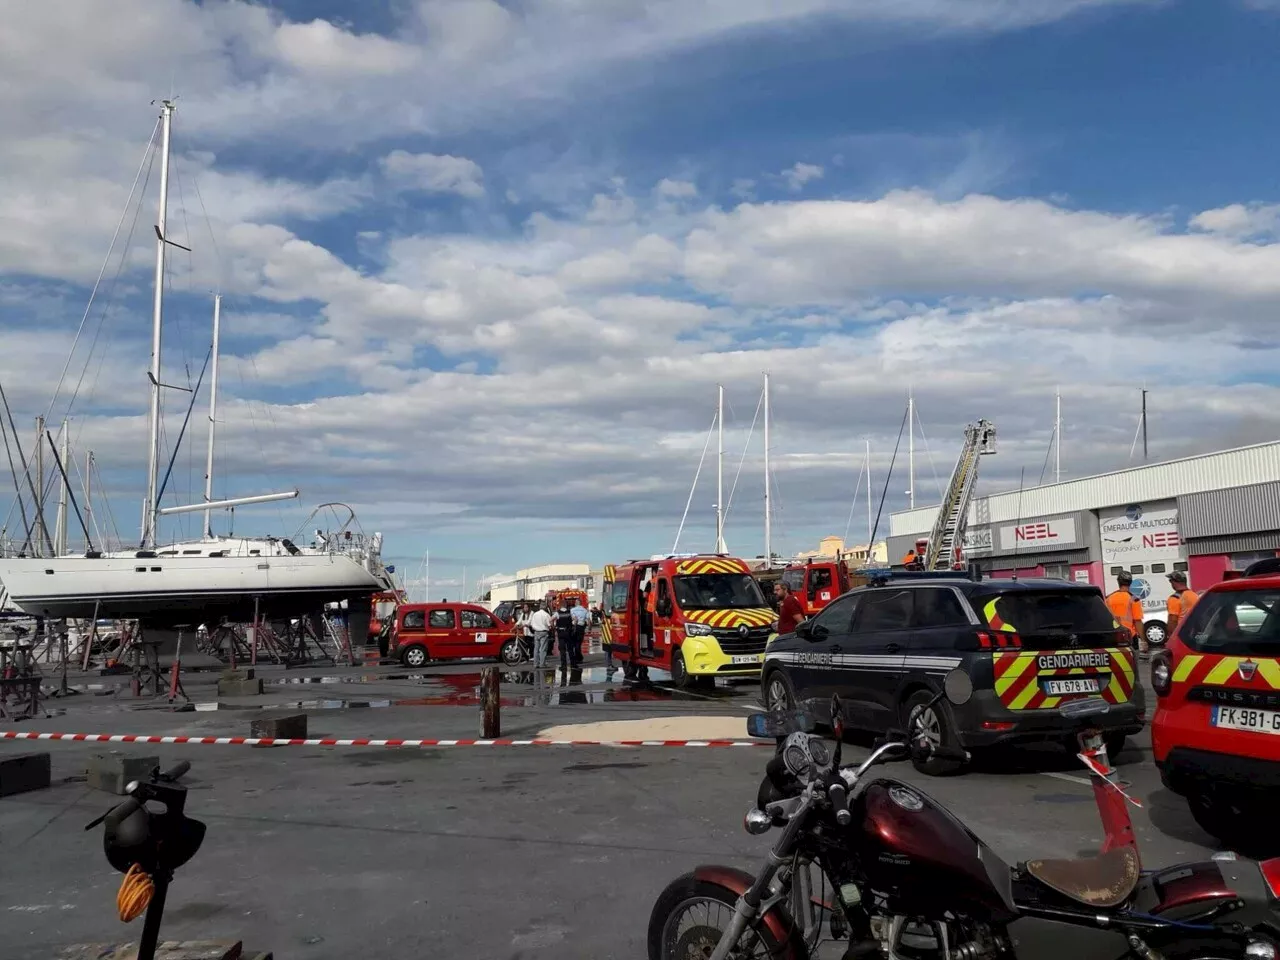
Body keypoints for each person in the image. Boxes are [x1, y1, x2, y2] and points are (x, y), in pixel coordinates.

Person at [1105, 571, 1148, 656]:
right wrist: (1143, 640)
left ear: (1118, 582)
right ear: (1131, 583)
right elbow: (1137, 621)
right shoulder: (1134, 598)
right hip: (1129, 637)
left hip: (1113, 636)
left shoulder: (1108, 598)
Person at [1165, 571, 1199, 639]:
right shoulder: (1194, 595)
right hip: (1195, 631)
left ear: (1174, 582)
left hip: (1182, 634)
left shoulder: (1174, 598)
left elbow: (1173, 620)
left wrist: (1171, 638)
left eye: (1170, 581)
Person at [528, 602, 553, 668]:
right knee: (543, 649)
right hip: (544, 632)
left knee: (536, 648)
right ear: (545, 607)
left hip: (536, 632)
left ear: (540, 607)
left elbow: (532, 624)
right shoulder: (546, 615)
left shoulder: (535, 614)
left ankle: (535, 664)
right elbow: (549, 624)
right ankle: (542, 664)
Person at [555, 603, 577, 670]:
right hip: (568, 632)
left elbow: (550, 619)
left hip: (561, 633)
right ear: (566, 606)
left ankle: (563, 665)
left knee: (562, 650)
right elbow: (575, 619)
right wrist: (573, 625)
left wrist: (555, 627)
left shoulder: (557, 613)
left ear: (560, 606)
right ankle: (573, 664)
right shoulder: (569, 612)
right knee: (570, 649)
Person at [569, 598, 590, 666]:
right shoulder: (585, 610)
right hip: (581, 627)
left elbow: (571, 619)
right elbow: (588, 620)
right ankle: (579, 657)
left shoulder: (572, 610)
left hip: (574, 627)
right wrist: (589, 628)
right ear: (580, 603)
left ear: (576, 603)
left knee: (574, 643)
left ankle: (578, 657)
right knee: (578, 643)